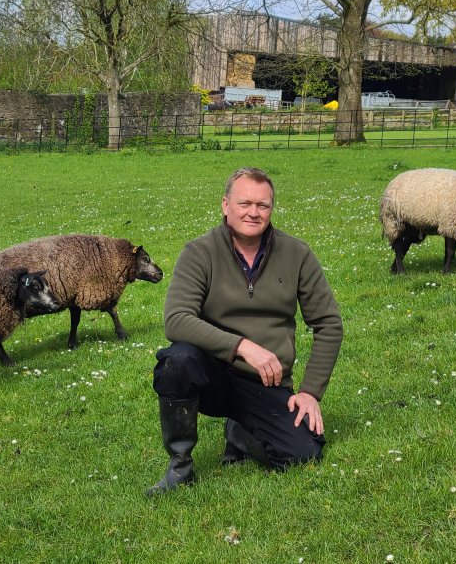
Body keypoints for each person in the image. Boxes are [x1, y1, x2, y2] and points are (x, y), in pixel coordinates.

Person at [147, 167, 343, 495]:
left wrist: (310, 391)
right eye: (244, 203)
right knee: (176, 360)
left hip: (266, 381)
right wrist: (242, 346)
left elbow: (328, 323)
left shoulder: (297, 254)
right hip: (213, 375)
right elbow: (176, 319)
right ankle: (180, 465)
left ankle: (240, 432)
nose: (253, 212)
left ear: (271, 209)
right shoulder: (199, 252)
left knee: (302, 454)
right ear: (225, 205)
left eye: (263, 205)